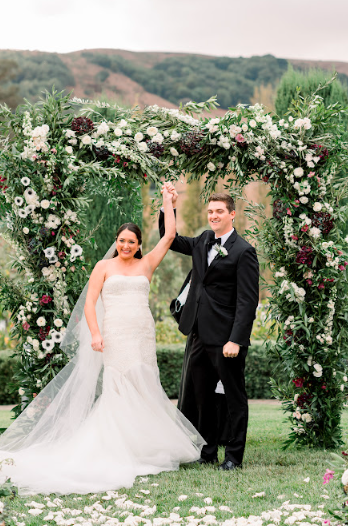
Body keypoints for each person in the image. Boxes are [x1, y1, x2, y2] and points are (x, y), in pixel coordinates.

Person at [0, 186, 204, 496]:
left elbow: (169, 237)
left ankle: (143, 444)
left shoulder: (147, 264)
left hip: (142, 334)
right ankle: (118, 445)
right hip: (114, 334)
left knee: (143, 383)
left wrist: (167, 202)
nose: (125, 245)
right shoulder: (103, 267)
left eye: (131, 242)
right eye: (121, 240)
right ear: (117, 243)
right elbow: (89, 302)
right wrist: (95, 334)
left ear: (138, 246)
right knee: (118, 386)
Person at [159, 184, 259, 471]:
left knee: (233, 397)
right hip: (198, 334)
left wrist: (236, 340)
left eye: (219, 211)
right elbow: (172, 239)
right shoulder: (203, 240)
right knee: (202, 395)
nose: (213, 216)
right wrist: (169, 205)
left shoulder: (244, 252)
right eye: (210, 211)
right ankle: (208, 450)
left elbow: (247, 301)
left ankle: (234, 456)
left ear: (232, 214)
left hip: (226, 338)